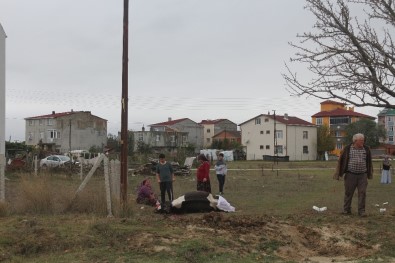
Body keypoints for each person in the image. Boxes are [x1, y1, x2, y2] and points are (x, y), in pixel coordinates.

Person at [333, 133, 373, 217]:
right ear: (355, 141)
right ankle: (346, 210)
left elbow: (369, 162)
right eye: (361, 140)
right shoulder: (347, 149)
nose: (363, 142)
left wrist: (369, 173)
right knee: (348, 193)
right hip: (350, 175)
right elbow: (341, 161)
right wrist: (339, 173)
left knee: (362, 193)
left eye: (363, 140)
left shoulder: (366, 149)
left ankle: (361, 211)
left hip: (363, 175)